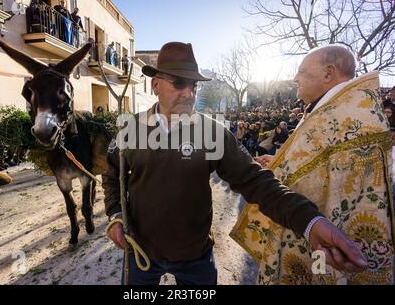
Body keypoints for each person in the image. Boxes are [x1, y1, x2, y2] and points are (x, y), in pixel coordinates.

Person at [103, 42, 367, 286]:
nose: (188, 93)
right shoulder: (130, 129)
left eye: (194, 86)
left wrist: (309, 221)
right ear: (156, 86)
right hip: (140, 254)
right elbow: (112, 173)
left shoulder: (213, 133)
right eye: (179, 83)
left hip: (194, 258)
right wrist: (115, 215)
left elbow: (256, 181)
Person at [232, 44, 394, 285]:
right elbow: (314, 169)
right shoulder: (329, 112)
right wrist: (277, 163)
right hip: (307, 231)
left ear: (328, 74)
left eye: (301, 71)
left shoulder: (352, 123)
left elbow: (339, 205)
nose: (294, 78)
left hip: (327, 248)